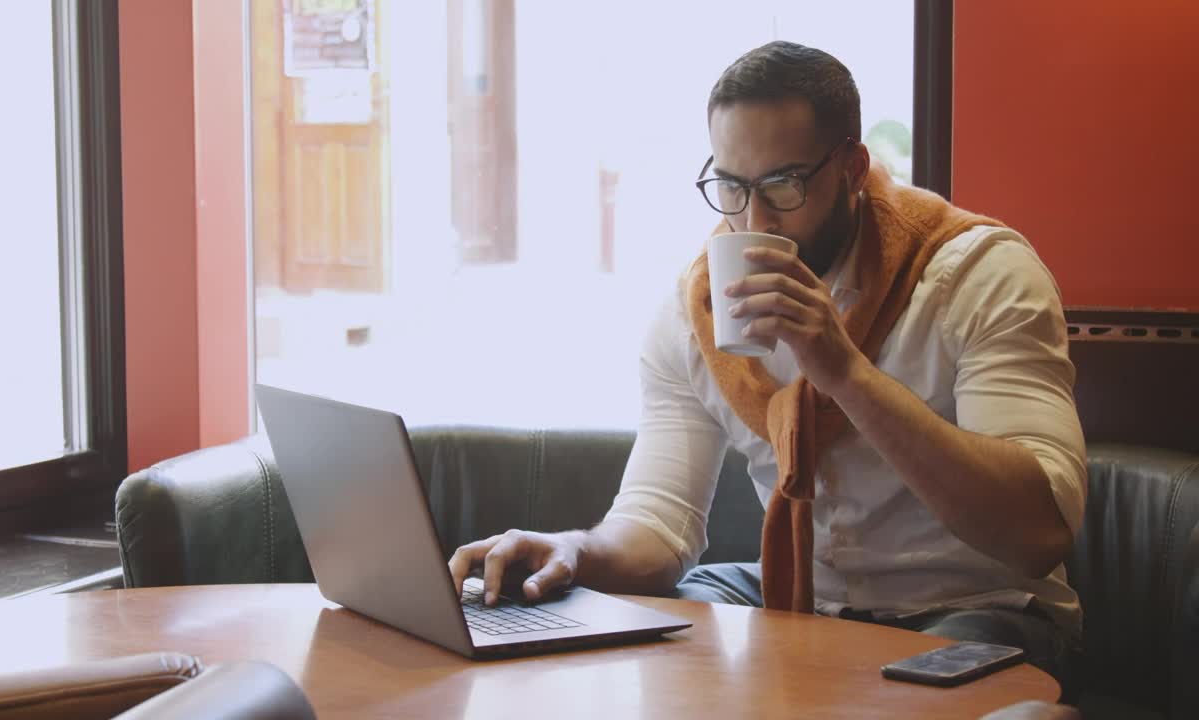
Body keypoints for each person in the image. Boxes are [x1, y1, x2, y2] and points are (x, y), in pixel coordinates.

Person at [448, 40, 1085, 698]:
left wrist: (845, 373)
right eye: (730, 186)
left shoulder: (977, 275)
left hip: (979, 602)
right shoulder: (694, 312)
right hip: (801, 598)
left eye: (783, 185)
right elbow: (660, 527)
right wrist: (575, 550)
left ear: (853, 168)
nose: (751, 221)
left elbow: (1036, 534)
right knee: (655, 636)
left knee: (912, 696)